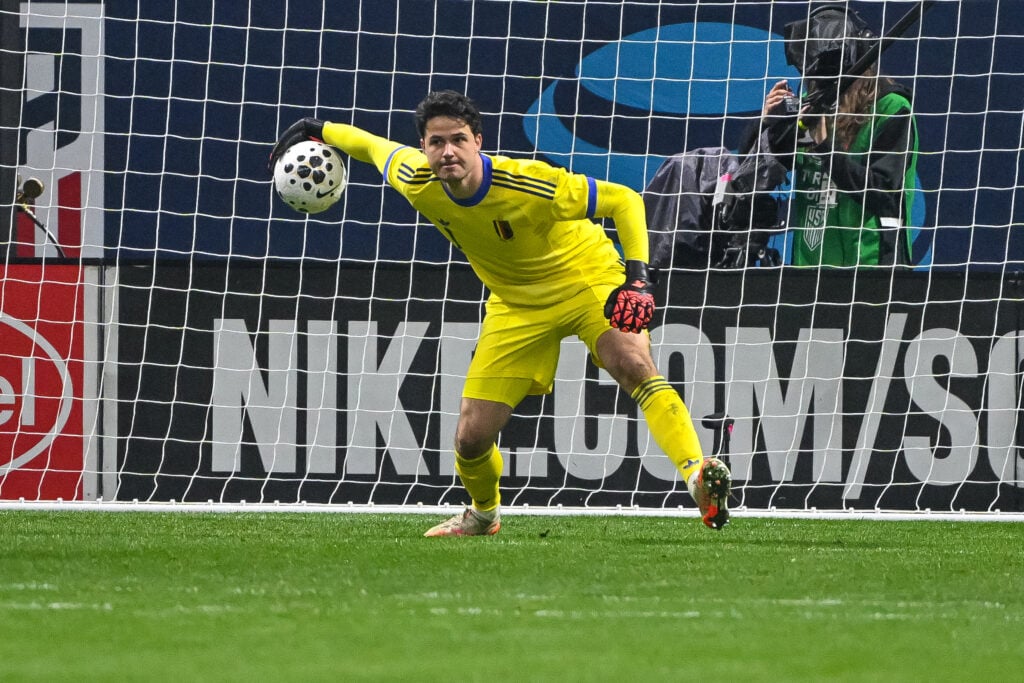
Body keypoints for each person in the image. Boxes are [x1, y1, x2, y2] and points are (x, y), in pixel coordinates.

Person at [268, 90, 732, 535]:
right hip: (515, 303)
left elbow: (624, 200)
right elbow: (368, 146)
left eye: (458, 140)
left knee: (632, 363)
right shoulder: (415, 178)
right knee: (471, 438)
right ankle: (483, 515)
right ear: (423, 147)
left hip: (585, 277)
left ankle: (697, 475)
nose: (447, 151)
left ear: (478, 142)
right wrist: (315, 128)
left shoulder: (527, 181)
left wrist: (637, 278)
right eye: (436, 142)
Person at [744, 4, 919, 267]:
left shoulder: (892, 108)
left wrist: (826, 148)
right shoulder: (811, 106)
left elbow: (884, 193)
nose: (817, 83)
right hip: (810, 267)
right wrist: (765, 124)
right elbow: (752, 177)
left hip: (870, 265)